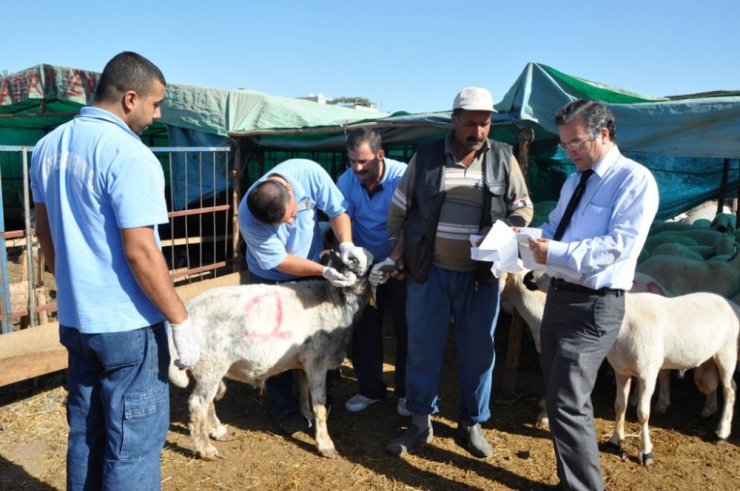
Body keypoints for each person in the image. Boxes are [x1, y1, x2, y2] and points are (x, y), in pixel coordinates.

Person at [30, 52, 200, 491]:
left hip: (77, 320)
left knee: (86, 433)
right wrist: (180, 320)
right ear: (130, 98)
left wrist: (70, 284)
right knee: (133, 447)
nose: (157, 113)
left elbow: (43, 231)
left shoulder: (49, 146)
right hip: (128, 326)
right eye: (155, 103)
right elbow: (141, 252)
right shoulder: (130, 154)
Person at [382, 87, 533, 458]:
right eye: (471, 123)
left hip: (480, 276)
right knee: (422, 346)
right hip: (429, 271)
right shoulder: (428, 155)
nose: (479, 131)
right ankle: (419, 422)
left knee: (479, 350)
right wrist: (396, 255)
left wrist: (506, 229)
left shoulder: (503, 157)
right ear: (454, 119)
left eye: (485, 124)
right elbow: (400, 210)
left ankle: (472, 422)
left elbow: (523, 208)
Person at [527, 99, 659, 490]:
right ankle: (572, 483)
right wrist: (519, 239)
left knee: (568, 402)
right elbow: (554, 226)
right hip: (560, 298)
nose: (570, 153)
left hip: (595, 306)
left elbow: (619, 245)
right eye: (564, 145)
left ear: (604, 133)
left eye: (576, 143)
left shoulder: (634, 181)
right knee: (557, 398)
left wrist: (556, 253)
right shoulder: (574, 181)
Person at [238, 158, 368, 435]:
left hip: (313, 271)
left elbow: (337, 210)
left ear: (290, 191)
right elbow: (279, 260)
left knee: (323, 335)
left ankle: (321, 397)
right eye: (285, 223)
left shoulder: (307, 173)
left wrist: (345, 243)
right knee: (277, 340)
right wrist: (324, 271)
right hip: (272, 277)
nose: (293, 222)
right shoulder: (249, 215)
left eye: (293, 214)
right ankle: (287, 407)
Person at [335, 128, 410, 417]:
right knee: (365, 328)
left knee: (407, 329)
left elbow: (411, 222)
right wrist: (349, 248)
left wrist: (393, 260)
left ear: (381, 155)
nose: (357, 168)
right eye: (352, 160)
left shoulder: (402, 177)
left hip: (400, 266)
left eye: (364, 161)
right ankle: (370, 389)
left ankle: (406, 392)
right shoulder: (347, 180)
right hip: (364, 267)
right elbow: (342, 214)